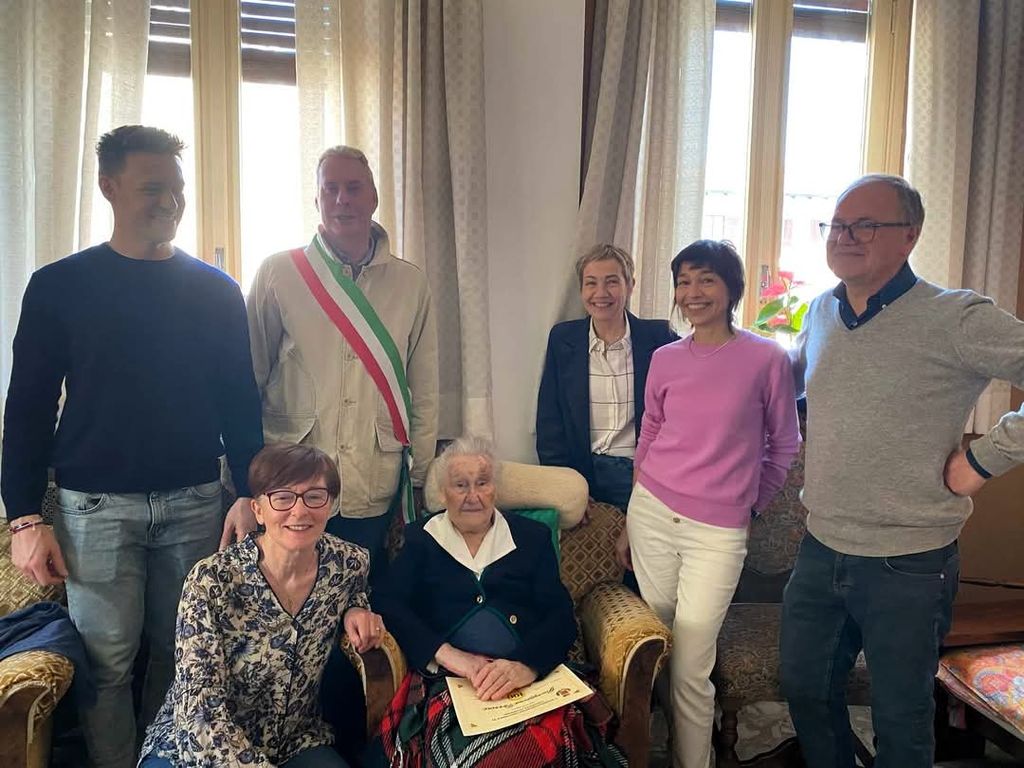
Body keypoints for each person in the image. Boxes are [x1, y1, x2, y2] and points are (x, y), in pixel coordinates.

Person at [1, 125, 263, 768]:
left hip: (196, 501)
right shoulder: (59, 285)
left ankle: (164, 758)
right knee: (106, 664)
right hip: (93, 509)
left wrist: (250, 492)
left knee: (184, 654)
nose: (170, 201)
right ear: (109, 187)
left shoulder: (217, 291)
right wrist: (25, 518)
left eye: (177, 188)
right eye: (152, 188)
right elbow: (27, 408)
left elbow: (240, 401)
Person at [781, 174, 1024, 768]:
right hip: (821, 547)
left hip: (909, 564)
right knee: (806, 693)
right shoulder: (822, 309)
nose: (845, 236)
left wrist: (982, 460)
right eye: (837, 225)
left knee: (901, 718)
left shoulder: (955, 317)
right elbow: (791, 380)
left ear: (910, 235)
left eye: (866, 225)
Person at [616, 240, 801, 768]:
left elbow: (784, 444)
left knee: (692, 661)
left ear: (731, 289)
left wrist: (750, 505)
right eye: (683, 281)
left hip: (717, 532)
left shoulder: (766, 358)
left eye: (706, 279)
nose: (693, 292)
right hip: (652, 513)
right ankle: (665, 747)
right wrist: (631, 513)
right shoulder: (665, 358)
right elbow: (650, 433)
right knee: (659, 646)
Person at [369, 436, 626, 767]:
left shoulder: (531, 537)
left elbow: (560, 616)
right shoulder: (422, 539)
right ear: (444, 493)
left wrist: (526, 666)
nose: (473, 496)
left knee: (540, 749)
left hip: (528, 682)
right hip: (450, 684)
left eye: (482, 483)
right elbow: (389, 603)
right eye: (460, 485)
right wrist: (449, 655)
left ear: (495, 489)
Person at [247, 145, 438, 577]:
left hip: (370, 477)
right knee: (286, 593)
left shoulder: (411, 283)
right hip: (290, 477)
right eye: (330, 189)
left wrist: (421, 476)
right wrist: (243, 472)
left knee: (357, 595)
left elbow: (424, 388)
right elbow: (251, 376)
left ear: (373, 197)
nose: (342, 199)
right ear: (316, 200)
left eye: (353, 188)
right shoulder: (278, 273)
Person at [139, 443, 385, 768]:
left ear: (330, 504)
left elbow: (355, 592)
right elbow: (199, 711)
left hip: (295, 741)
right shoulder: (211, 580)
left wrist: (357, 608)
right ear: (257, 510)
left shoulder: (348, 563)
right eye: (282, 498)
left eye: (314, 496)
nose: (300, 511)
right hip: (199, 744)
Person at [536, 244, 675, 511]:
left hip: (640, 474)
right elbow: (550, 420)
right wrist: (563, 486)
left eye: (612, 282)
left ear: (630, 286)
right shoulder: (563, 339)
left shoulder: (660, 338)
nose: (600, 293)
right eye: (591, 283)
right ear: (581, 290)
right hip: (582, 472)